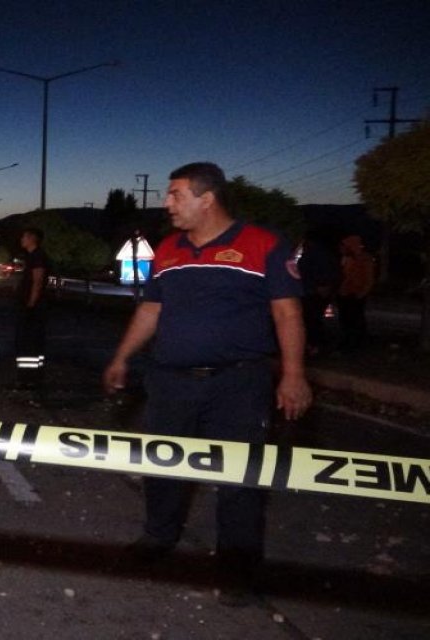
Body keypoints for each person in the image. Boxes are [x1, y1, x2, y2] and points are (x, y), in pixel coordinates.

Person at [102, 162, 312, 607]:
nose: (167, 202)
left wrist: (293, 375)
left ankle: (236, 567)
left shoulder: (263, 244)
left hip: (239, 383)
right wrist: (122, 356)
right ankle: (158, 538)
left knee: (239, 477)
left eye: (176, 194)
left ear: (207, 198)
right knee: (162, 465)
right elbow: (150, 311)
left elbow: (287, 313)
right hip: (170, 381)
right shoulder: (168, 249)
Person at [13, 228, 50, 390]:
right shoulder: (32, 257)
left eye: (24, 236)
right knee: (31, 343)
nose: (22, 239)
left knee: (28, 343)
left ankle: (28, 379)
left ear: (32, 238)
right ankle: (32, 377)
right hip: (32, 306)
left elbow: (38, 281)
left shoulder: (37, 257)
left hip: (32, 307)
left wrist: (30, 304)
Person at [295, 229, 341, 356]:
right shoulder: (320, 253)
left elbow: (314, 271)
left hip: (312, 291)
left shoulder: (315, 253)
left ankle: (314, 345)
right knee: (311, 319)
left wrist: (323, 286)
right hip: (312, 290)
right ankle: (313, 345)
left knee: (311, 320)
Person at [337, 234, 375, 350]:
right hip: (344, 294)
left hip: (355, 294)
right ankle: (349, 342)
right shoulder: (346, 258)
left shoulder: (365, 259)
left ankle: (355, 343)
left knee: (355, 320)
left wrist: (361, 293)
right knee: (346, 320)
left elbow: (369, 279)